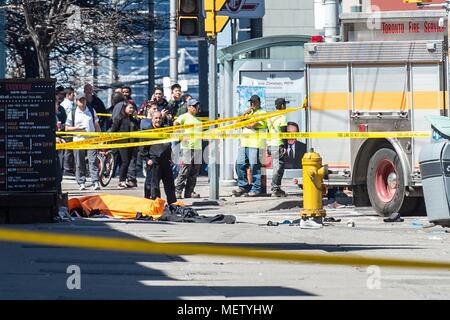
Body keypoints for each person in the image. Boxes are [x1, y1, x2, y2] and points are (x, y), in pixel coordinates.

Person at [65, 90, 102, 191]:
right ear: (76, 101)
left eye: (84, 100)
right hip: (78, 140)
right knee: (79, 162)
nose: (82, 102)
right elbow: (67, 128)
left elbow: (96, 124)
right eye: (80, 100)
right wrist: (77, 128)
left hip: (91, 140)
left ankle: (95, 181)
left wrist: (100, 137)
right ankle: (81, 182)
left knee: (93, 161)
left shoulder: (91, 110)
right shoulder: (72, 112)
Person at [232, 95, 267, 197]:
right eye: (251, 102)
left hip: (256, 144)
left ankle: (256, 189)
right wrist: (244, 114)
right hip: (244, 143)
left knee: (255, 167)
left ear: (259, 102)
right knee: (239, 165)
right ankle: (243, 187)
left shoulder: (262, 113)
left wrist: (244, 123)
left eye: (255, 102)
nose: (253, 104)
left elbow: (253, 125)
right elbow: (237, 123)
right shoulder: (249, 113)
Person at [140, 111, 177, 204]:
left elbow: (168, 145)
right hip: (154, 162)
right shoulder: (148, 131)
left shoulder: (165, 130)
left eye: (160, 118)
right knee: (154, 186)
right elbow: (142, 149)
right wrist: (147, 159)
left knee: (170, 185)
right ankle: (156, 205)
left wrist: (171, 157)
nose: (158, 120)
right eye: (156, 118)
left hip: (166, 161)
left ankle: (173, 205)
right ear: (152, 119)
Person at [174, 99, 202, 199]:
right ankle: (178, 191)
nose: (196, 108)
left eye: (197, 106)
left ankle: (189, 191)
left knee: (194, 172)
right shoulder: (184, 117)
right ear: (188, 107)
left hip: (197, 147)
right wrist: (180, 135)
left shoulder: (198, 119)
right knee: (184, 170)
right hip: (186, 147)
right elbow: (175, 124)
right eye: (194, 106)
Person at [111, 102, 140, 189]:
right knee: (125, 162)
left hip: (132, 144)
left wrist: (136, 118)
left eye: (133, 108)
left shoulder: (133, 120)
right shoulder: (119, 118)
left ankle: (127, 180)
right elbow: (113, 130)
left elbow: (137, 129)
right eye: (130, 108)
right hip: (122, 144)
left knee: (129, 163)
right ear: (125, 108)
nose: (131, 110)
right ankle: (121, 181)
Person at [267, 98, 289, 197]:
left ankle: (275, 187)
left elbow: (268, 132)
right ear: (282, 106)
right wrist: (285, 146)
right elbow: (284, 133)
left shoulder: (271, 117)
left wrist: (268, 145)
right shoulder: (282, 117)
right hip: (279, 144)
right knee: (279, 168)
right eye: (285, 104)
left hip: (272, 144)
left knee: (276, 167)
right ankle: (275, 188)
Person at [61, 87, 75, 175]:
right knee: (69, 149)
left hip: (67, 128)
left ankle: (67, 167)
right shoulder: (69, 105)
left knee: (68, 149)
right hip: (69, 128)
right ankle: (67, 168)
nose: (74, 96)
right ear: (68, 95)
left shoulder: (63, 103)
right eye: (73, 94)